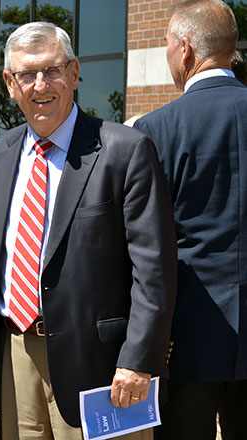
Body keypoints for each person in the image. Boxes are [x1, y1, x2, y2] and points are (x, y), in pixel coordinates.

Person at [0, 22, 177, 439]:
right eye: (26, 75)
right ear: (10, 84)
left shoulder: (126, 149)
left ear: (74, 73)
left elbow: (154, 269)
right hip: (15, 355)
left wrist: (139, 358)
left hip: (103, 364)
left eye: (52, 70)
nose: (40, 85)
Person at [133, 2, 247, 438]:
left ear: (184, 49)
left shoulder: (155, 129)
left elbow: (144, 243)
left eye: (165, 44)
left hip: (187, 337)